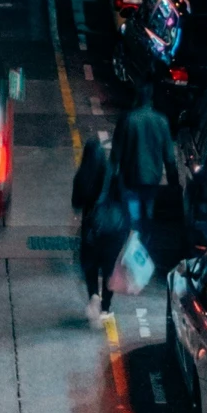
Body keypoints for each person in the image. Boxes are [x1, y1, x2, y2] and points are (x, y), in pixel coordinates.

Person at [73, 137, 130, 325]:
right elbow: (123, 198)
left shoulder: (82, 176)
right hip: (114, 230)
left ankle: (93, 296)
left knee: (90, 265)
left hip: (92, 230)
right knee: (109, 268)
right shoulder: (112, 173)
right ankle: (106, 308)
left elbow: (76, 203)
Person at [112, 84, 175, 233]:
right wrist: (174, 185)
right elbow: (170, 158)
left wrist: (108, 184)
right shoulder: (162, 121)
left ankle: (135, 243)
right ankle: (147, 242)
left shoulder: (128, 120)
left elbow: (115, 155)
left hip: (131, 180)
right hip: (152, 180)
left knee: (134, 220)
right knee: (149, 213)